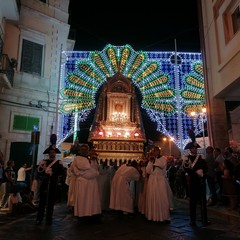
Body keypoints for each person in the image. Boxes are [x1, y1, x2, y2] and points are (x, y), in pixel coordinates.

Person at [70, 144, 101, 222]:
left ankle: (92, 213)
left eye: (86, 149)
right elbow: (83, 167)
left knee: (92, 198)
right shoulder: (78, 158)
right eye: (83, 149)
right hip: (83, 182)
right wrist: (90, 161)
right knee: (83, 198)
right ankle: (82, 214)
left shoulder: (93, 159)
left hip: (92, 182)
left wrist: (93, 161)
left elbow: (97, 169)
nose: (84, 151)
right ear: (80, 151)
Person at [36, 145, 64, 225]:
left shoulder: (58, 163)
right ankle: (39, 218)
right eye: (51, 153)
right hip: (44, 183)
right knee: (42, 201)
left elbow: (61, 173)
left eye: (53, 153)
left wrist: (53, 173)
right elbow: (38, 172)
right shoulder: (43, 162)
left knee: (51, 202)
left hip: (53, 183)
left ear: (55, 154)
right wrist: (44, 171)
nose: (52, 154)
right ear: (48, 154)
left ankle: (49, 219)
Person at [145, 146, 173, 223]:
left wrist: (154, 161)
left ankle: (163, 216)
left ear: (158, 151)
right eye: (153, 151)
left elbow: (162, 165)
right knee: (152, 196)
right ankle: (153, 215)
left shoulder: (163, 158)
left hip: (160, 180)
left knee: (161, 197)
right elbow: (147, 170)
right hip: (152, 180)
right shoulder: (152, 160)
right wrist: (150, 162)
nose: (154, 152)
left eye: (155, 151)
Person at [183, 143, 209, 226]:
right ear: (190, 149)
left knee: (203, 201)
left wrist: (203, 173)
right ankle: (192, 220)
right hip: (193, 181)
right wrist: (195, 173)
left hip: (201, 181)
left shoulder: (201, 157)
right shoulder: (187, 158)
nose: (195, 149)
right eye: (193, 148)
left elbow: (206, 167)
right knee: (193, 201)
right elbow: (186, 170)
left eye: (196, 148)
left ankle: (204, 219)